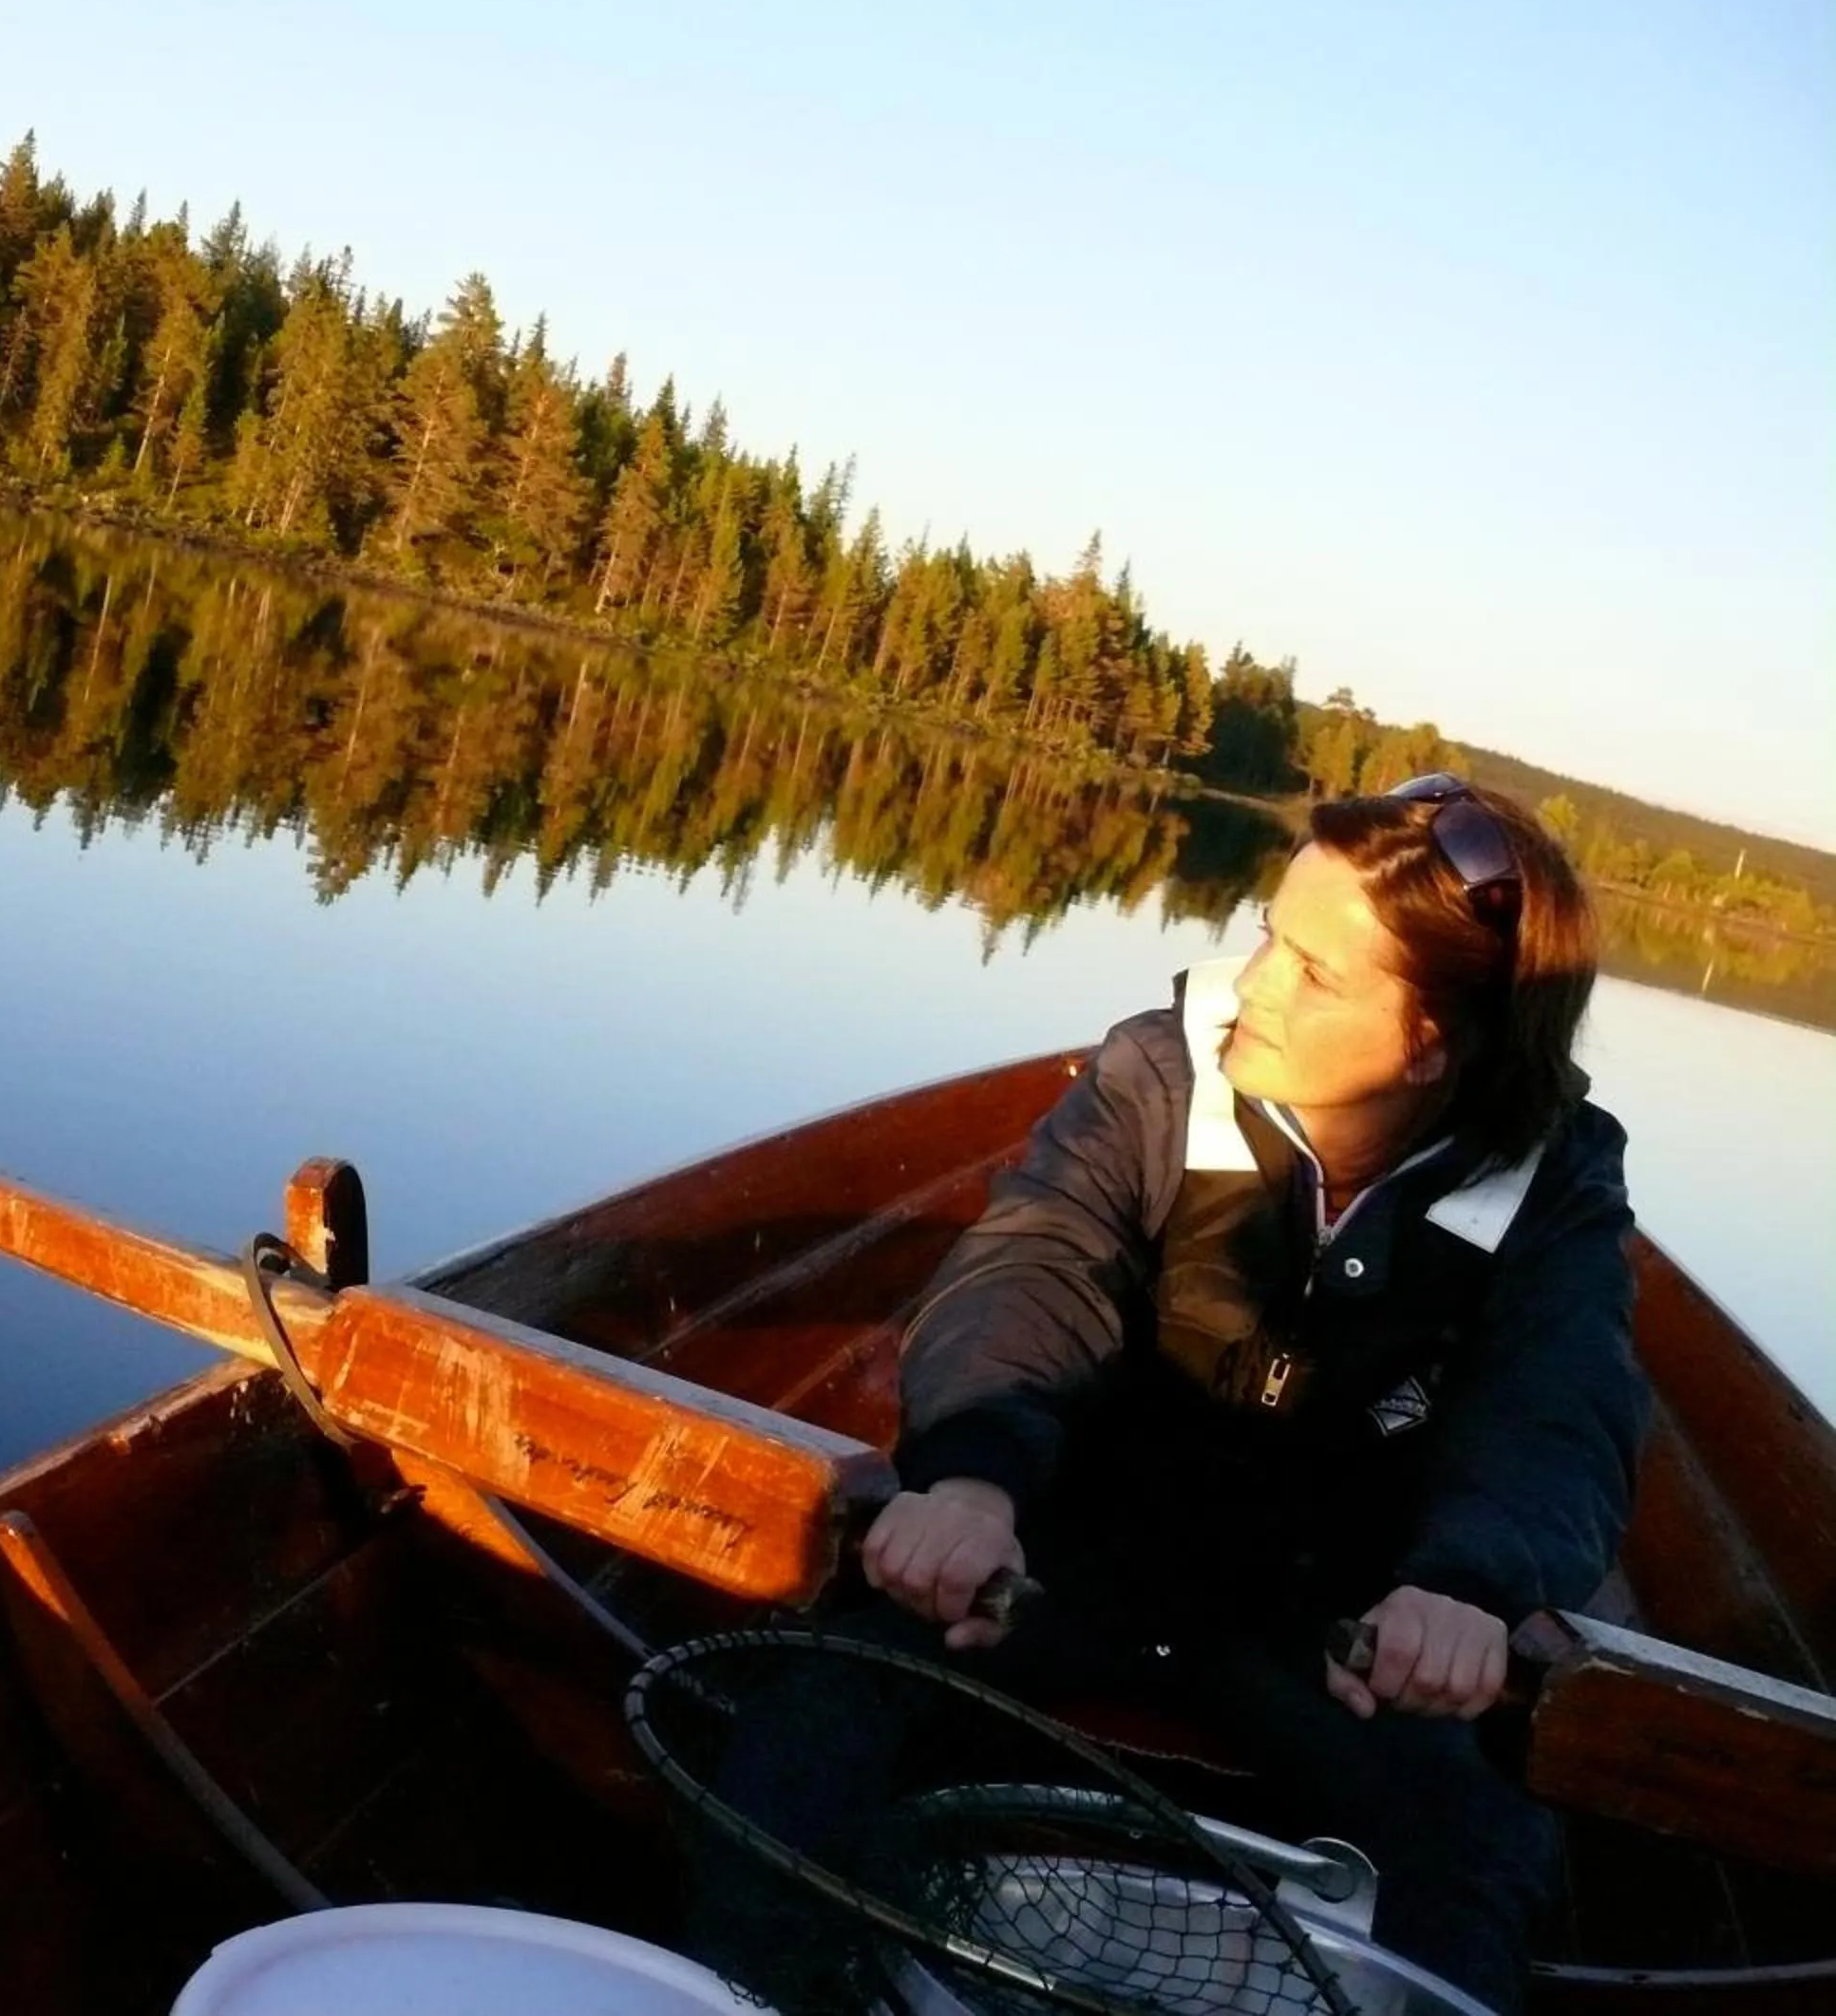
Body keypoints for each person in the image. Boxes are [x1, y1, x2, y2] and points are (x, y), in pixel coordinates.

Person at [693, 776, 1646, 2015]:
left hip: (1337, 1633)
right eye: (1269, 932)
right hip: (1054, 1561)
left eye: (1314, 971)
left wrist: (1466, 1587)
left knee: (1486, 1850)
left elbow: (1558, 1402)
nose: (1251, 984)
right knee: (813, 1708)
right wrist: (972, 1474)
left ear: (1429, 1042)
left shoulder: (1558, 1182)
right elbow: (1039, 1265)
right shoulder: (1159, 1072)